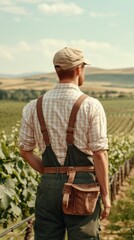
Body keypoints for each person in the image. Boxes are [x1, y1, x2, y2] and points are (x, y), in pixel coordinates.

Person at [19, 47, 111, 239]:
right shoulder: (90, 105)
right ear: (79, 69)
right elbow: (99, 153)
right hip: (83, 187)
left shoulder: (32, 106)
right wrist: (106, 195)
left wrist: (50, 173)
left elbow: (25, 151)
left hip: (48, 187)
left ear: (57, 71)